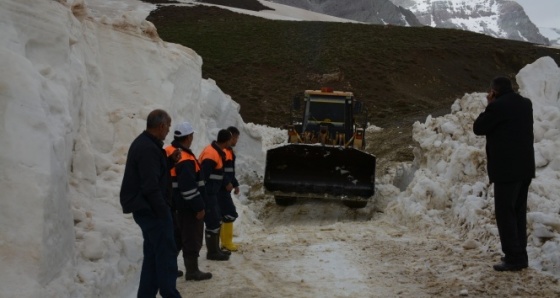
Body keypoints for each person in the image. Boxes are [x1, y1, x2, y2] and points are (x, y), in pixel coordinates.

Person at [473, 77, 535, 272]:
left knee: (505, 214)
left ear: (495, 91)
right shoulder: (525, 104)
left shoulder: (497, 106)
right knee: (518, 213)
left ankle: (513, 258)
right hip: (525, 168)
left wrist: (490, 104)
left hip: (506, 171)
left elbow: (478, 128)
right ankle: (520, 255)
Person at [119, 109, 182, 298]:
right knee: (166, 256)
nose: (168, 131)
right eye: (168, 127)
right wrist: (164, 212)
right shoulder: (147, 148)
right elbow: (150, 187)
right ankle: (170, 294)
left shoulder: (148, 144)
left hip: (147, 208)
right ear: (161, 126)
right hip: (151, 210)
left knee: (153, 258)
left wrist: (169, 162)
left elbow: (153, 173)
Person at [165, 122, 212, 281]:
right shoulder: (185, 159)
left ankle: (168, 268)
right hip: (187, 207)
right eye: (192, 136)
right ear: (188, 137)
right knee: (191, 238)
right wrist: (199, 207)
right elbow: (188, 188)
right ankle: (192, 271)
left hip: (174, 204)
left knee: (177, 237)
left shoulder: (169, 151)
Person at [198, 129, 233, 261]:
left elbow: (218, 173)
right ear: (226, 141)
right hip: (208, 193)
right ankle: (212, 252)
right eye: (230, 140)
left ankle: (216, 249)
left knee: (216, 220)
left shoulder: (217, 152)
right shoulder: (211, 154)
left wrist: (226, 183)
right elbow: (203, 176)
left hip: (213, 192)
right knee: (212, 221)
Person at [219, 126, 241, 252]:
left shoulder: (229, 152)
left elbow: (230, 171)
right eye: (236, 138)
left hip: (225, 187)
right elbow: (222, 170)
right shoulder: (225, 152)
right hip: (221, 189)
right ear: (231, 137)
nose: (236, 141)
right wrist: (227, 182)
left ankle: (225, 242)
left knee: (225, 214)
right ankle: (226, 243)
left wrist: (235, 183)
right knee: (229, 213)